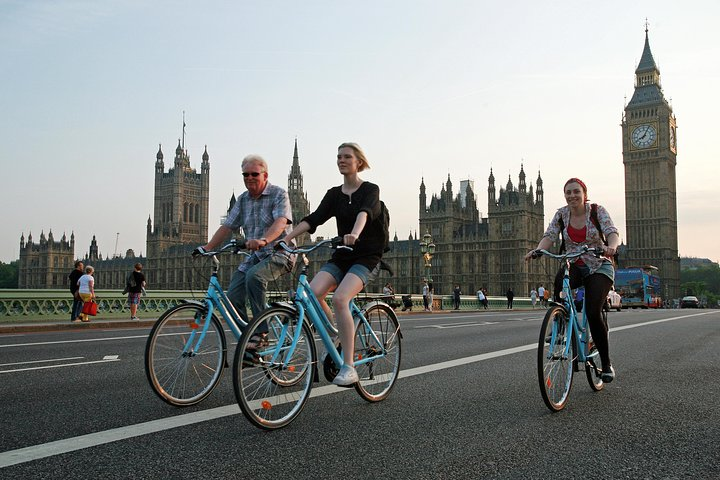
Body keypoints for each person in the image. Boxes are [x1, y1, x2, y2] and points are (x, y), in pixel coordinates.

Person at [280, 142, 385, 386]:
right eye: (338, 157)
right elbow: (314, 218)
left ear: (359, 162)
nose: (341, 160)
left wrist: (355, 233)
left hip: (365, 255)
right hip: (342, 255)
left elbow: (365, 212)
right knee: (312, 294)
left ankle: (349, 366)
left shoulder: (370, 189)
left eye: (347, 156)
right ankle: (337, 335)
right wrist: (287, 238)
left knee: (339, 298)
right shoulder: (334, 194)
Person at [524, 177, 620, 383]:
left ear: (584, 193)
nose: (572, 195)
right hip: (575, 263)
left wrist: (611, 246)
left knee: (593, 312)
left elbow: (612, 232)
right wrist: (539, 249)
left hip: (598, 264)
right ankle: (559, 324)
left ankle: (606, 363)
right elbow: (550, 235)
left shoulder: (597, 211)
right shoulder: (561, 214)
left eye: (576, 191)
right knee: (560, 283)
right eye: (568, 192)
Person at [198, 154, 295, 333]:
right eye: (245, 174)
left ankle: (261, 333)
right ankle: (248, 341)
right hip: (256, 257)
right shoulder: (243, 199)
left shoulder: (278, 194)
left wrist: (264, 240)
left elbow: (281, 221)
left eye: (254, 174)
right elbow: (227, 226)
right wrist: (207, 247)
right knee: (232, 298)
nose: (249, 177)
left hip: (280, 254)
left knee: (255, 277)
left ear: (265, 175)